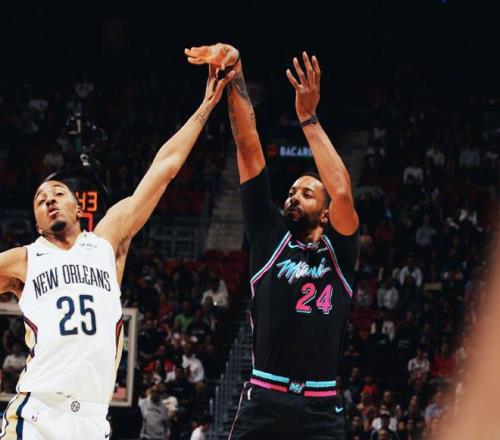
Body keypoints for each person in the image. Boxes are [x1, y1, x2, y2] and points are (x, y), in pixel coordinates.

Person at [0, 65, 234, 439]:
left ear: (79, 207)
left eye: (58, 193)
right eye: (40, 200)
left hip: (92, 419)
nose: (49, 200)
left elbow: (164, 169)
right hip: (38, 413)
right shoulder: (24, 259)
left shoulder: (106, 242)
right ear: (38, 223)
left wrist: (206, 105)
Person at [186, 43, 359, 439]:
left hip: (320, 406)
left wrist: (309, 119)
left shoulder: (341, 251)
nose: (293, 197)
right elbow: (248, 147)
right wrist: (236, 73)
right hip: (265, 397)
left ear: (326, 214)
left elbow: (342, 192)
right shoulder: (269, 236)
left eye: (307, 193)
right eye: (291, 192)